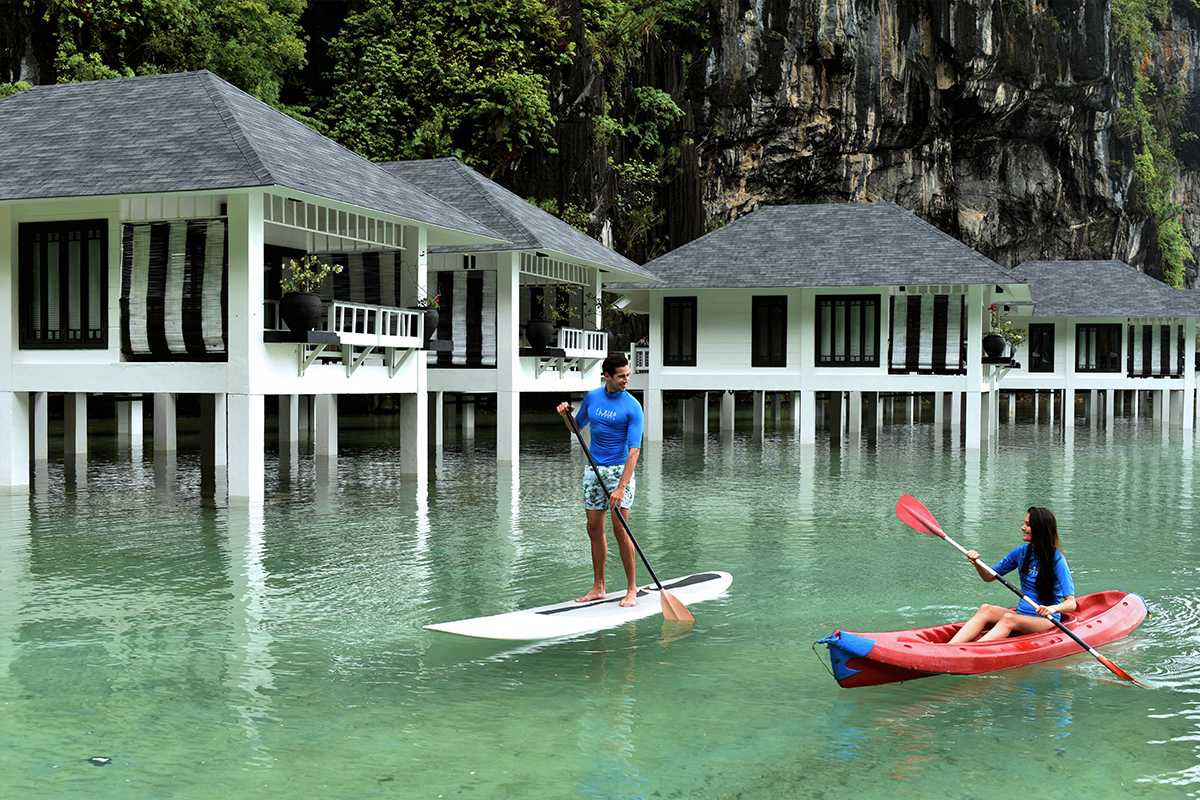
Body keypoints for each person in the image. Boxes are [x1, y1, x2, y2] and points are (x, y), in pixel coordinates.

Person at [556, 354, 644, 607]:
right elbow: (577, 428)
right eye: (621, 376)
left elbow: (634, 450)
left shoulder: (632, 406)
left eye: (628, 375)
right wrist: (566, 415)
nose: (626, 380)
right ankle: (599, 588)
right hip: (593, 471)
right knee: (594, 529)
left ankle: (631, 589)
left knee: (620, 530)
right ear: (607, 376)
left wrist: (621, 487)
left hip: (619, 472)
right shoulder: (593, 397)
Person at [948, 507, 1077, 643]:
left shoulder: (1057, 560)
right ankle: (950, 648)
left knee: (1009, 619)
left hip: (1046, 621)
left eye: (1027, 525)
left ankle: (971, 652)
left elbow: (1071, 604)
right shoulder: (1020, 552)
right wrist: (976, 563)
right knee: (986, 609)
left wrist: (1052, 608)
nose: (1022, 528)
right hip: (1021, 615)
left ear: (1040, 529)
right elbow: (989, 577)